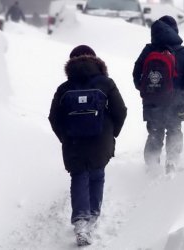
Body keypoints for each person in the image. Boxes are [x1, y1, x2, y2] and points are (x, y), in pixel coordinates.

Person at [48, 45, 127, 246]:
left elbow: (54, 117)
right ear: (95, 60)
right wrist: (111, 133)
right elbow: (121, 111)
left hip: (74, 141)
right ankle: (93, 214)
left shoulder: (64, 89)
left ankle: (81, 222)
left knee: (79, 176)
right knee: (97, 174)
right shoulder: (106, 83)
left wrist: (65, 137)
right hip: (101, 139)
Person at [133, 15, 184, 173]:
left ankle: (151, 166)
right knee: (174, 130)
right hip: (176, 102)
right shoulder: (183, 52)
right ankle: (172, 162)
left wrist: (147, 91)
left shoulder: (148, 50)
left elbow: (136, 75)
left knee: (155, 132)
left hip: (152, 102)